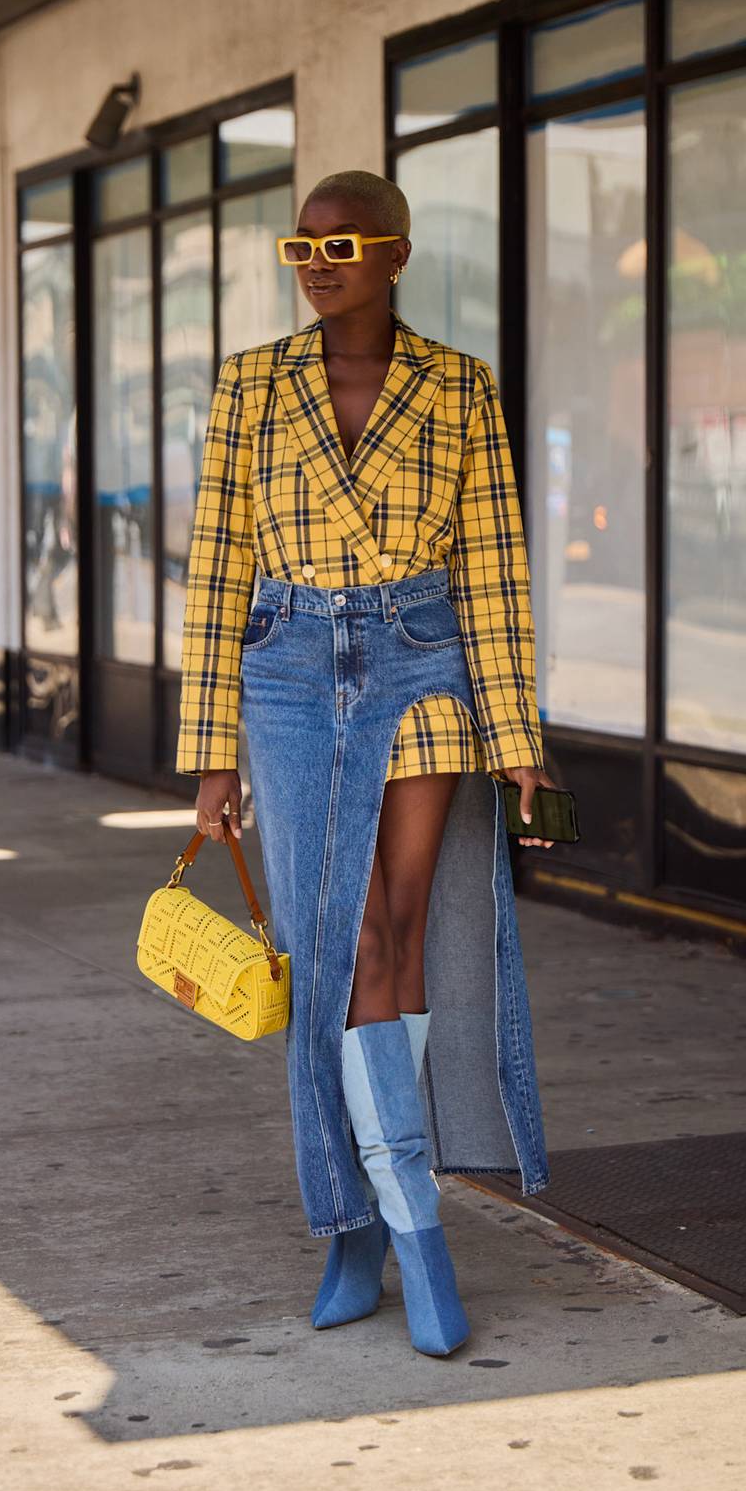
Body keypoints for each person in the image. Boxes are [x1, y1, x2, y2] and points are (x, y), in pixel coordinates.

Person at [177, 169, 556, 1358]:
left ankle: (407, 1225)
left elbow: (494, 565)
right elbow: (217, 566)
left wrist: (519, 739)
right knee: (327, 952)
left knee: (391, 932)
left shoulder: (458, 386)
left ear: (398, 255)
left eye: (346, 242)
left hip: (422, 660)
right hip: (286, 670)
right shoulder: (251, 383)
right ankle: (368, 1221)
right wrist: (207, 755)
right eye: (304, 243)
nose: (321, 259)